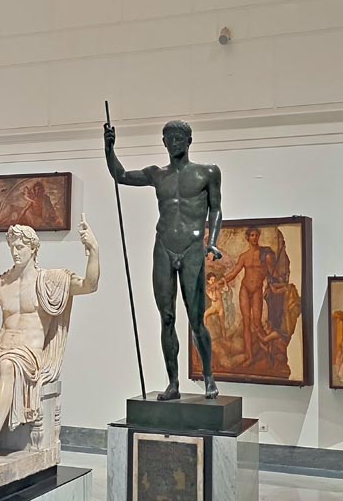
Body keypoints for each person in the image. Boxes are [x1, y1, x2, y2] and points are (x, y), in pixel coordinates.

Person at [0, 219, 99, 462]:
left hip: (27, 354)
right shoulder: (1, 283)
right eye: (12, 246)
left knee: (6, 366)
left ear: (33, 248)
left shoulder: (50, 281)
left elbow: (89, 285)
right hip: (0, 347)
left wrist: (93, 250)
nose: (15, 251)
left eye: (20, 246)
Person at [105, 120, 222, 400]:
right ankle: (173, 383)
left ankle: (208, 377)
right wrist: (109, 147)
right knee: (167, 318)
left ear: (189, 140)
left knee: (196, 320)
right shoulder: (158, 175)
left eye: (180, 137)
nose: (175, 142)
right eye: (169, 138)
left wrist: (213, 242)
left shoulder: (207, 172)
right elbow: (120, 175)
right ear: (164, 142)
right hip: (164, 246)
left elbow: (216, 210)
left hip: (193, 246)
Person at [225, 227, 275, 367]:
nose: (254, 237)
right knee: (246, 324)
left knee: (257, 323)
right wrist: (220, 281)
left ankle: (268, 348)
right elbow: (233, 273)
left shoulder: (265, 254)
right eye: (251, 235)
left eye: (256, 235)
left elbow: (272, 274)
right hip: (245, 289)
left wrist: (271, 288)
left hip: (257, 290)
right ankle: (249, 356)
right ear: (247, 238)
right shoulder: (244, 256)